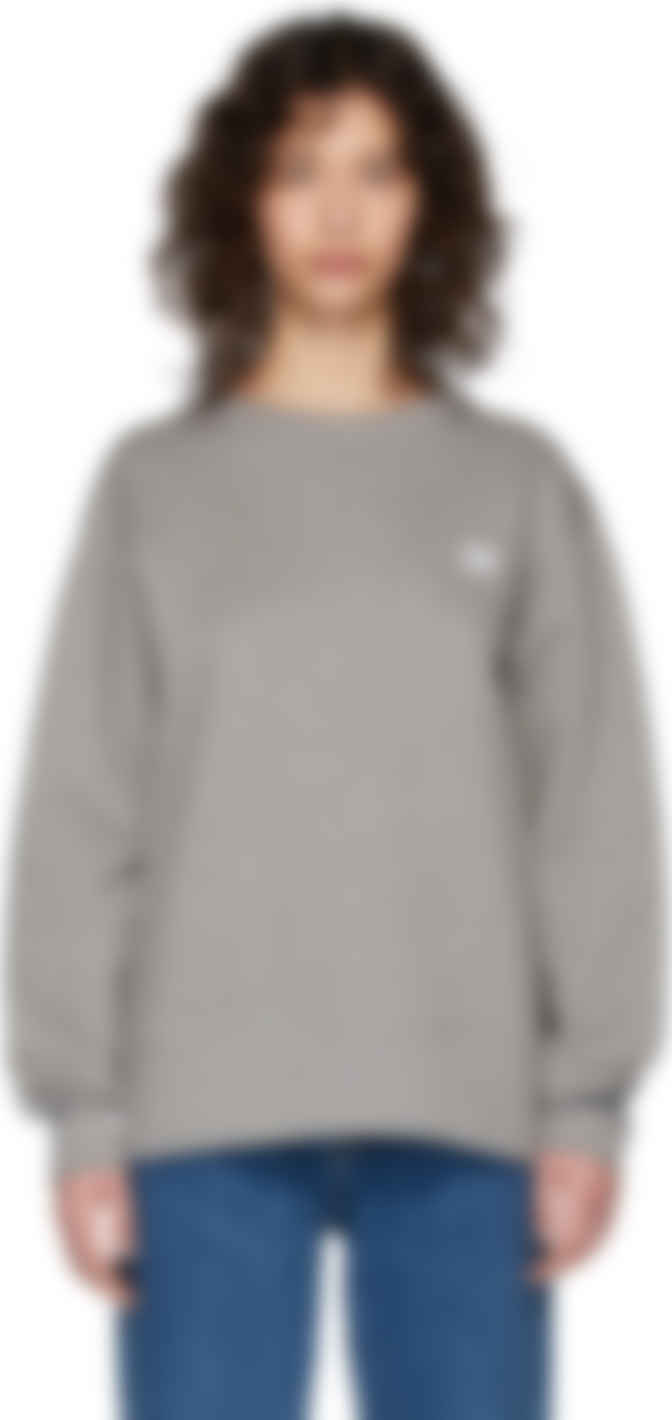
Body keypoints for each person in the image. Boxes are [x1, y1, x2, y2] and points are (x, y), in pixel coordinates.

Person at [6, 13, 662, 1420]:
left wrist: (586, 1100)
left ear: (431, 203)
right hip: (202, 1114)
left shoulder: (515, 486)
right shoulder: (156, 490)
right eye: (301, 169)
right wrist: (84, 1115)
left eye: (378, 169)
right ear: (242, 201)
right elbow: (83, 808)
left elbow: (589, 806)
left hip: (466, 1105)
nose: (341, 212)